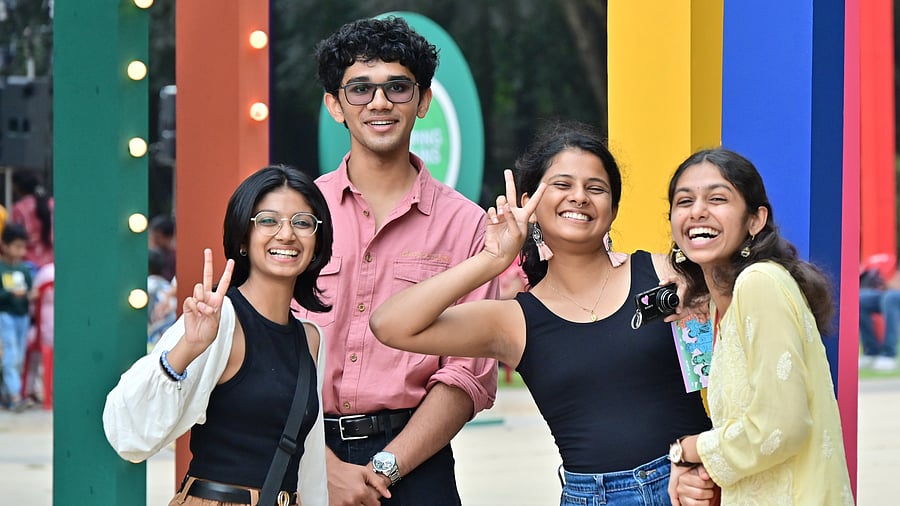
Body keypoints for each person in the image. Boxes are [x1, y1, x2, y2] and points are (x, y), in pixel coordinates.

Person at [370, 120, 712, 505]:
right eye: (563, 185)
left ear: (613, 209)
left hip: (690, 485)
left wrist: (702, 456)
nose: (579, 197)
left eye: (595, 188)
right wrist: (492, 259)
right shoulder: (514, 321)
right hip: (593, 497)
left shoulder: (668, 273)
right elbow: (389, 325)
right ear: (530, 204)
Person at [294, 16, 499, 506]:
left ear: (423, 100)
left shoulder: (466, 225)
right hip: (302, 453)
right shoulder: (299, 213)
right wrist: (323, 467)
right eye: (360, 88)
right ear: (335, 105)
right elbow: (266, 353)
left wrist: (386, 468)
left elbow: (466, 373)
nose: (379, 102)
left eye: (397, 87)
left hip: (417, 466)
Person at [103, 166, 333, 506]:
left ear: (316, 243)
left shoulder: (311, 338)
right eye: (268, 221)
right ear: (243, 237)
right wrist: (187, 348)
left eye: (302, 222)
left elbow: (309, 466)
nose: (286, 234)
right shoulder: (218, 317)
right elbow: (128, 434)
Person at [664, 148, 853, 505]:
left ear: (755, 220)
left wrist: (689, 449)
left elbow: (781, 426)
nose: (698, 211)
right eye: (684, 201)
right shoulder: (724, 311)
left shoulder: (760, 283)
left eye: (717, 198)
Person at [0, 223, 34, 412]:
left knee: (19, 356)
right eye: (16, 247)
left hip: (22, 317)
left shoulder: (24, 269)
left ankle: (8, 393)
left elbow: (30, 290)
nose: (21, 251)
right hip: (5, 315)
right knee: (11, 355)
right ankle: (15, 396)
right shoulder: (1, 268)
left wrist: (30, 295)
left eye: (23, 247)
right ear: (4, 245)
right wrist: (9, 293)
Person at [858, 265, 900, 371]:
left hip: (893, 295)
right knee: (860, 300)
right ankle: (871, 351)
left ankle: (889, 354)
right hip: (892, 292)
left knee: (890, 298)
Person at [11, 171, 54, 270]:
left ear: (18, 187)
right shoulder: (52, 204)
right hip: (52, 266)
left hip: (29, 267)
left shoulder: (19, 209)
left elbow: (15, 238)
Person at [149, 214, 177, 281]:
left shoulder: (174, 258)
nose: (153, 240)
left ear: (168, 237)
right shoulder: (152, 255)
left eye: (157, 237)